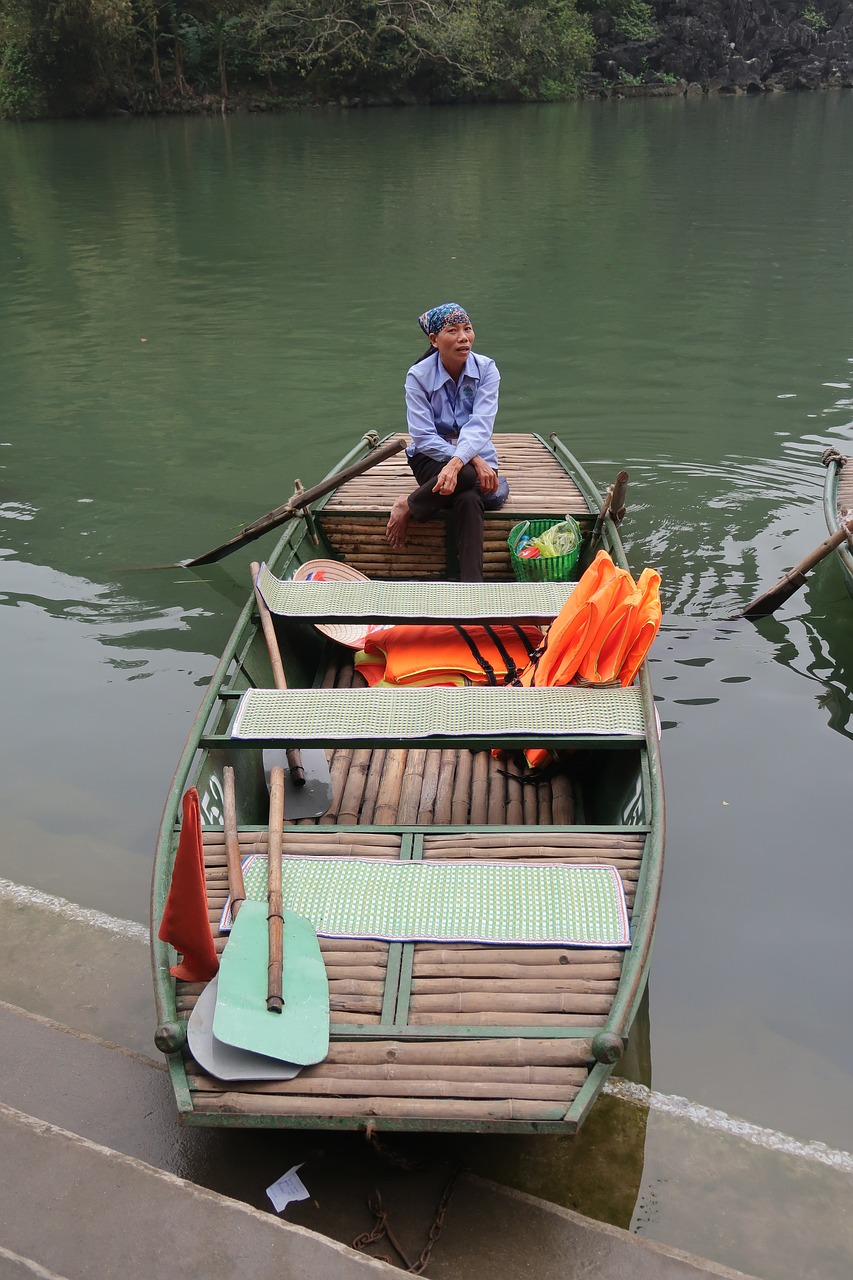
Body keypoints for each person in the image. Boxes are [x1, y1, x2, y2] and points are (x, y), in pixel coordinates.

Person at [385, 302, 508, 582]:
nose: (463, 337)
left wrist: (463, 459)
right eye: (453, 331)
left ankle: (471, 590)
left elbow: (481, 425)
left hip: (471, 457)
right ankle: (408, 504)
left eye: (467, 329)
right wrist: (468, 459)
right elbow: (423, 437)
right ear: (434, 340)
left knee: (469, 496)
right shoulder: (418, 376)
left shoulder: (487, 369)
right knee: (466, 474)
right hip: (430, 458)